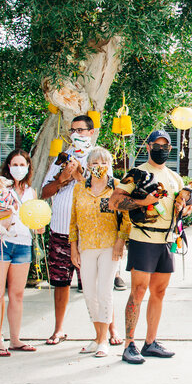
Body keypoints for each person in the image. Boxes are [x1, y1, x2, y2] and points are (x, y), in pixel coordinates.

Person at [109, 129, 190, 364]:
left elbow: (183, 208)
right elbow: (114, 201)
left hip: (166, 240)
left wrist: (184, 209)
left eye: (165, 146)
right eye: (157, 145)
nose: (161, 149)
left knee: (159, 292)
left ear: (170, 149)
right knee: (138, 291)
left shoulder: (175, 178)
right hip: (143, 239)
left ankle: (150, 342)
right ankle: (128, 345)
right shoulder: (136, 173)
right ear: (148, 147)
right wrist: (143, 201)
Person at [41, 115, 122, 346]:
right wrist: (63, 178)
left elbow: (107, 190)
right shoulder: (62, 158)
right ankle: (59, 329)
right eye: (73, 130)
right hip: (60, 230)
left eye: (81, 130)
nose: (76, 134)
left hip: (90, 235)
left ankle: (110, 329)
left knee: (100, 287)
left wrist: (79, 175)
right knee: (60, 282)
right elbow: (45, 192)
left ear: (91, 132)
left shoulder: (98, 157)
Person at [0, 149, 41, 356]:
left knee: (17, 294)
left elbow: (33, 219)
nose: (19, 168)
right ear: (8, 166)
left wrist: (39, 226)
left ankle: (15, 339)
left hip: (22, 244)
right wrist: (2, 212)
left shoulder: (31, 192)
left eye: (23, 165)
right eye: (15, 164)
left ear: (28, 167)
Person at [69, 147, 129, 358]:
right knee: (89, 293)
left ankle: (104, 339)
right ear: (87, 166)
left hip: (109, 245)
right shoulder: (79, 189)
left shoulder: (117, 187)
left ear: (109, 165)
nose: (99, 166)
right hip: (86, 245)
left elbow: (126, 218)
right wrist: (73, 246)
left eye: (103, 162)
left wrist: (120, 242)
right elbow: (73, 219)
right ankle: (97, 336)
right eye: (95, 163)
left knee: (104, 291)